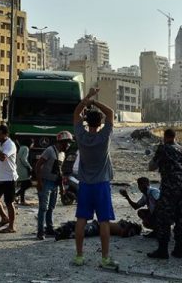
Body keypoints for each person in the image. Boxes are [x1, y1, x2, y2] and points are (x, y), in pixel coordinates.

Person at [72, 87, 118, 270]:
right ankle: (105, 258)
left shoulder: (81, 136)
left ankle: (79, 256)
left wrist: (87, 99)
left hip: (85, 185)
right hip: (101, 184)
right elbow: (111, 113)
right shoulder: (104, 136)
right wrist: (95, 101)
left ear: (86, 121)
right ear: (100, 123)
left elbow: (76, 112)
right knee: (104, 221)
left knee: (81, 221)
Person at [147, 129, 182, 259]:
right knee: (180, 219)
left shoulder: (164, 149)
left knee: (164, 219)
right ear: (175, 137)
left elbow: (151, 166)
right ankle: (178, 250)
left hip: (169, 190)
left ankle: (163, 250)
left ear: (165, 137)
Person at [34, 131, 73, 240]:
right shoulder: (50, 151)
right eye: (67, 142)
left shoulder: (62, 154)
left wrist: (61, 187)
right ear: (62, 142)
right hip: (46, 182)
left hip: (55, 184)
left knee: (51, 207)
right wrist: (39, 181)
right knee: (43, 208)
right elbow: (38, 165)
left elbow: (59, 171)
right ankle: (40, 232)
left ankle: (49, 229)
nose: (69, 145)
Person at [0, 125, 18, 233]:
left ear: (6, 134)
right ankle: (4, 218)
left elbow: (2, 157)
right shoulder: (1, 144)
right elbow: (0, 162)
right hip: (0, 177)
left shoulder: (10, 145)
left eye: (0, 135)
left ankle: (12, 226)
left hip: (9, 178)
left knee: (9, 202)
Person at [54, 219, 142, 241]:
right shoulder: (124, 225)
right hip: (98, 225)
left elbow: (124, 234)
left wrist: (129, 226)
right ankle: (62, 230)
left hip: (98, 228)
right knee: (79, 225)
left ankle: (64, 234)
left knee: (83, 231)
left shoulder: (129, 231)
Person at [15, 139, 34, 206]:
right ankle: (17, 196)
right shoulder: (26, 148)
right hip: (23, 169)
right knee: (28, 183)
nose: (32, 145)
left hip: (19, 168)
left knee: (24, 185)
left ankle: (20, 198)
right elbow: (23, 159)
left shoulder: (21, 148)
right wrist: (29, 167)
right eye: (32, 143)